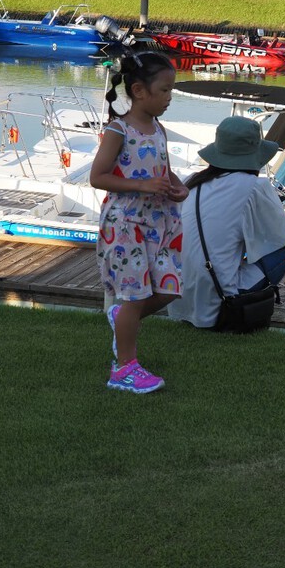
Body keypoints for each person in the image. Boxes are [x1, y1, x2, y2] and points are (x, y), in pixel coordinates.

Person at [89, 51, 188, 394]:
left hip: (159, 221)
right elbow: (98, 177)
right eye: (165, 90)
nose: (169, 97)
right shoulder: (118, 129)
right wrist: (142, 185)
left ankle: (122, 320)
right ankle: (124, 369)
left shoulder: (159, 128)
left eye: (171, 90)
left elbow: (164, 168)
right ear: (139, 91)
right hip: (126, 224)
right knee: (133, 296)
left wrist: (177, 187)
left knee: (169, 288)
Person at [169, 116, 285, 329]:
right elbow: (278, 237)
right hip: (219, 300)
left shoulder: (192, 181)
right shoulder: (254, 187)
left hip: (178, 296)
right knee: (284, 251)